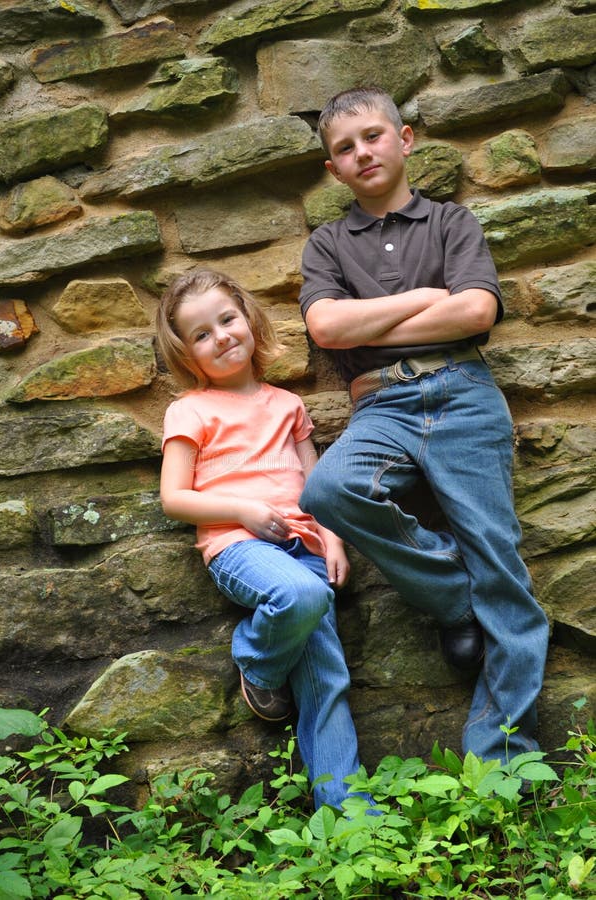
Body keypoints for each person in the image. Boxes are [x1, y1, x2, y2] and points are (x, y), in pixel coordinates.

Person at [298, 86, 549, 764]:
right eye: (344, 148)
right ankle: (452, 596)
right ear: (333, 169)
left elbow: (474, 315)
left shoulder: (451, 223)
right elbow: (324, 325)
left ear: (404, 140)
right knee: (327, 490)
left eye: (372, 136)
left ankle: (501, 765)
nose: (361, 152)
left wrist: (377, 317)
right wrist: (423, 299)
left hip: (464, 390)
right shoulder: (326, 244)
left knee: (504, 570)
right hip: (382, 404)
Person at [156, 267, 365, 811]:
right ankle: (258, 661)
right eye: (201, 334)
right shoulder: (190, 410)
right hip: (238, 547)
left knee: (328, 680)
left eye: (227, 320)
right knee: (300, 595)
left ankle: (350, 816)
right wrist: (244, 509)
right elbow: (174, 498)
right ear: (186, 352)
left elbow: (315, 484)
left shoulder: (287, 405)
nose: (221, 336)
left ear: (248, 320)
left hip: (306, 545)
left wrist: (333, 540)